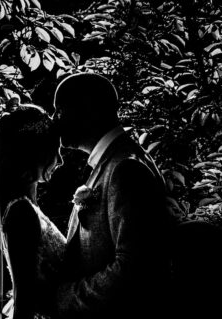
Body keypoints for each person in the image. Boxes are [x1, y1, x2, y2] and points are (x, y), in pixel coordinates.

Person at [46, 72, 173, 317]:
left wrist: (64, 298)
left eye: (59, 111)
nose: (54, 120)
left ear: (87, 109)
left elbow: (134, 268)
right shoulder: (112, 163)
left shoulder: (126, 169)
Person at [0, 105, 67, 319]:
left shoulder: (24, 207)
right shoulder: (20, 213)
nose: (60, 161)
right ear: (37, 154)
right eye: (56, 151)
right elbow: (24, 296)